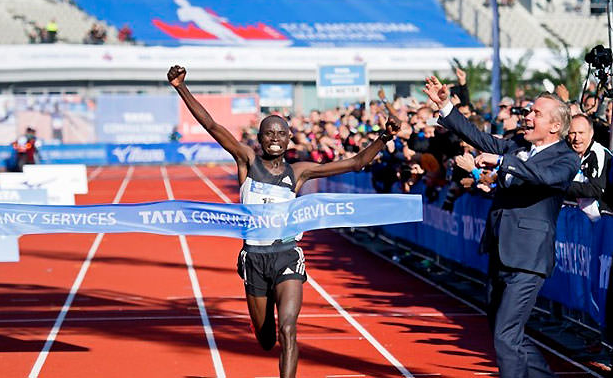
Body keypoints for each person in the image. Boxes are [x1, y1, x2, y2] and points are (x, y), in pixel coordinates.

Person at [169, 65, 399, 378]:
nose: (275, 138)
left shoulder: (299, 171)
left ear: (289, 138)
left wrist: (385, 136)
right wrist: (181, 87)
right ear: (260, 138)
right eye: (269, 133)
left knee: (288, 330)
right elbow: (211, 125)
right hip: (254, 258)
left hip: (287, 255)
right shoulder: (246, 161)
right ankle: (259, 322)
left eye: (281, 133)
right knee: (266, 340)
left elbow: (356, 162)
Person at [423, 76, 579, 378]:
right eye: (530, 111)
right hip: (499, 250)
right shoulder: (518, 145)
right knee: (506, 333)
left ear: (555, 127)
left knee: (505, 336)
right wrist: (445, 104)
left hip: (528, 259)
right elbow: (478, 137)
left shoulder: (566, 158)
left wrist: (500, 163)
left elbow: (543, 177)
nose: (528, 116)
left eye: (536, 113)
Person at [566, 113, 611, 218]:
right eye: (573, 133)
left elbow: (596, 189)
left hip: (599, 219)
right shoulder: (567, 152)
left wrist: (562, 185)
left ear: (591, 133)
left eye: (581, 133)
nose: (577, 138)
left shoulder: (598, 153)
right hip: (574, 215)